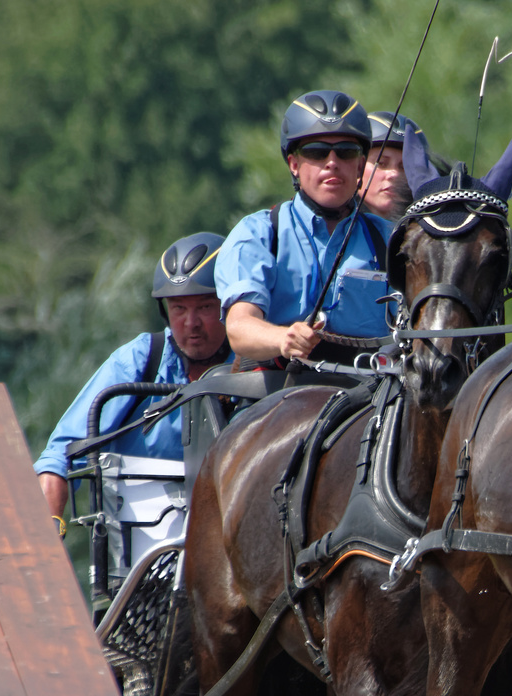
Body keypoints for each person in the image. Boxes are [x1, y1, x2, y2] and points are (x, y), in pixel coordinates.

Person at [35, 232, 230, 521]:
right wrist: (45, 540)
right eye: (178, 308)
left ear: (230, 303)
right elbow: (61, 457)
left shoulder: (258, 365)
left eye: (204, 306)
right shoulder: (141, 360)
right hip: (141, 541)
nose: (191, 324)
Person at [215, 89, 393, 369]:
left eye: (346, 152)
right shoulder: (258, 233)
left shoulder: (392, 239)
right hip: (275, 389)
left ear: (360, 165)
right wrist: (283, 338)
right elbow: (239, 328)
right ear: (294, 163)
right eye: (317, 152)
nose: (332, 163)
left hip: (372, 393)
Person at [361, 111, 424, 220]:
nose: (394, 174)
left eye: (404, 167)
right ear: (358, 167)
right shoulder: (330, 226)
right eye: (381, 163)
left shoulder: (426, 232)